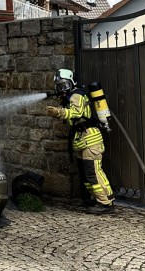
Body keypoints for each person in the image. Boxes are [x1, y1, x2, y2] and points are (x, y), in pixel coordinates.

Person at [45, 68, 115, 214]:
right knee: (86, 174)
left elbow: (76, 113)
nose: (62, 89)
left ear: (72, 82)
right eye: (59, 86)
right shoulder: (70, 97)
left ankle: (106, 203)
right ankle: (96, 199)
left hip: (90, 139)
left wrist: (58, 112)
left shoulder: (77, 95)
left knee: (93, 172)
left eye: (65, 85)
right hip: (82, 140)